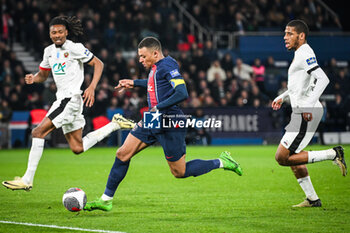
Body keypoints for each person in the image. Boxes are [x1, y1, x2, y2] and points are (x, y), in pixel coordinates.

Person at [84, 37, 242, 211]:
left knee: (179, 172)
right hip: (153, 119)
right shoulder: (157, 67)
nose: (140, 60)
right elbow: (155, 84)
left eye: (143, 56)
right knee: (122, 153)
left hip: (170, 121)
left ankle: (221, 161)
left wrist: (158, 107)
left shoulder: (167, 66)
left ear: (155, 53)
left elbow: (182, 92)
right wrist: (134, 83)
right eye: (139, 56)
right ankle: (106, 200)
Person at [2, 16, 135, 191]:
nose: (57, 35)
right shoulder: (48, 51)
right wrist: (33, 78)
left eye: (60, 32)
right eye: (53, 32)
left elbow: (98, 64)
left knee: (37, 132)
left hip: (70, 99)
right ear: (49, 34)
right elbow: (43, 75)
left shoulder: (74, 48)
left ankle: (27, 179)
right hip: (64, 99)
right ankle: (114, 125)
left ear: (66, 32)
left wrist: (92, 87)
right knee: (77, 147)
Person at [271, 20, 347, 208]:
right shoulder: (302, 53)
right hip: (304, 110)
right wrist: (284, 96)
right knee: (293, 157)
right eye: (285, 33)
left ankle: (333, 153)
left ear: (301, 35)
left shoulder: (304, 53)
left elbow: (323, 79)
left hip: (305, 112)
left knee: (282, 157)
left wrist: (307, 106)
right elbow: (301, 85)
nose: (285, 37)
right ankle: (312, 199)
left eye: (289, 33)